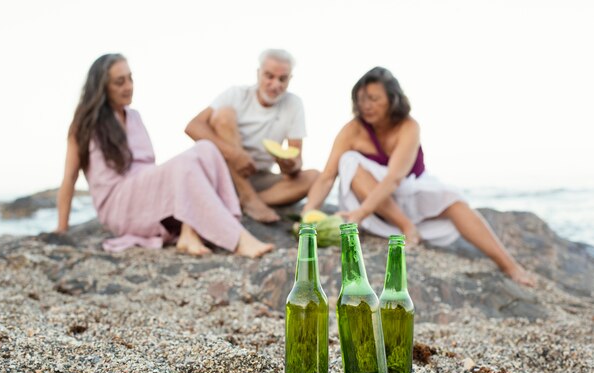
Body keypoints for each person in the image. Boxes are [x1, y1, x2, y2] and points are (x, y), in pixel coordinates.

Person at [302, 66, 537, 287]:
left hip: (407, 189)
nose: (366, 106)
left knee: (455, 203)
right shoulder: (352, 128)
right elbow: (327, 176)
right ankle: (404, 226)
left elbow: (394, 178)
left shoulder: (408, 126)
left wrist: (361, 214)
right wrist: (307, 215)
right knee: (348, 161)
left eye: (373, 99)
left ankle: (510, 267)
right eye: (361, 99)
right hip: (372, 200)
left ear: (392, 99)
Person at [56, 53, 274, 258]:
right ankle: (239, 239)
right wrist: (62, 229)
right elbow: (69, 179)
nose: (129, 86)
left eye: (130, 79)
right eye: (119, 82)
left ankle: (190, 233)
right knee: (183, 165)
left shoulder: (134, 117)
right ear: (103, 88)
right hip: (119, 204)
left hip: (147, 195)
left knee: (206, 148)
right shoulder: (84, 126)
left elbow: (149, 168)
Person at [185, 49, 319, 223]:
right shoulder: (236, 94)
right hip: (225, 170)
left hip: (260, 176)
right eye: (269, 76)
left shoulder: (294, 104)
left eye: (282, 79)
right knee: (224, 115)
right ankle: (248, 198)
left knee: (314, 177)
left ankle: (241, 202)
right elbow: (193, 126)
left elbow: (297, 159)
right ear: (258, 74)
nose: (275, 84)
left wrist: (290, 164)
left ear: (290, 79)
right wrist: (234, 154)